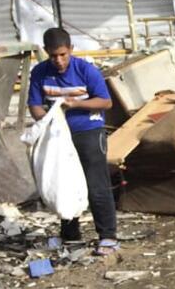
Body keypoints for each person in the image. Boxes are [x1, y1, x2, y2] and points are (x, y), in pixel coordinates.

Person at [26, 27, 118, 256]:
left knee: (96, 184)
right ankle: (70, 235)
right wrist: (45, 120)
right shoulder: (39, 72)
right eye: (54, 55)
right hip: (58, 136)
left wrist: (76, 104)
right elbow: (34, 104)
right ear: (46, 52)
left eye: (63, 55)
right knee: (64, 182)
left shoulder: (86, 70)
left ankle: (107, 236)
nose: (59, 60)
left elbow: (105, 102)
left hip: (88, 130)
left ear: (71, 50)